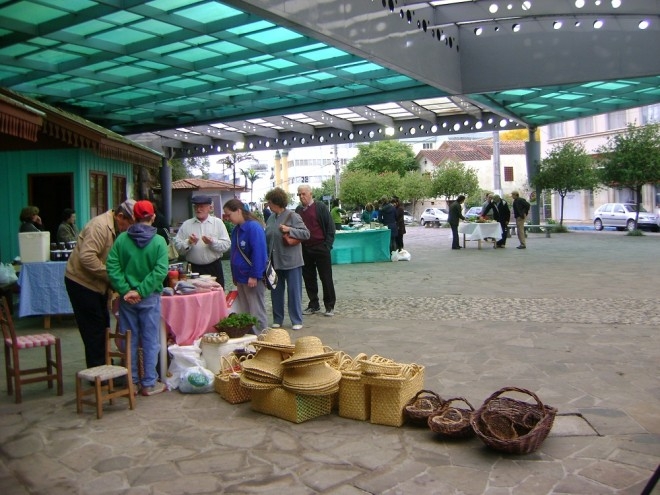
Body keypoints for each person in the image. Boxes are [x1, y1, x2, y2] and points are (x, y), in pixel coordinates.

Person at [106, 200, 169, 396]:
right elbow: (160, 271)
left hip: (127, 299)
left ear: (133, 217)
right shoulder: (159, 241)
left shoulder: (122, 239)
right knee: (150, 340)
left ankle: (131, 382)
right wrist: (141, 291)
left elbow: (112, 267)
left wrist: (127, 290)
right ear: (153, 217)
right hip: (149, 297)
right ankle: (149, 383)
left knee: (129, 340)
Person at [65, 199, 135, 368]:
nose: (130, 229)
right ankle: (98, 373)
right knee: (94, 329)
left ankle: (104, 367)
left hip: (96, 285)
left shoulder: (115, 228)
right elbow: (87, 257)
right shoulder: (100, 226)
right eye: (130, 224)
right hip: (82, 283)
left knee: (103, 325)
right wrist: (113, 278)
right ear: (120, 216)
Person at [264, 187, 310, 330]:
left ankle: (296, 320)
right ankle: (278, 318)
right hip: (275, 261)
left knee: (294, 292)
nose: (268, 205)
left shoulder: (293, 216)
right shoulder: (271, 218)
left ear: (277, 202)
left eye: (270, 202)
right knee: (276, 291)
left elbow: (306, 234)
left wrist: (290, 229)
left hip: (292, 261)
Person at [223, 198, 268, 333]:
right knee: (246, 311)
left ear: (238, 211)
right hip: (241, 277)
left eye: (229, 214)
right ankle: (251, 338)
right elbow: (235, 254)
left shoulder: (253, 227)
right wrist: (235, 276)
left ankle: (262, 339)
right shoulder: (237, 229)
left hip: (251, 277)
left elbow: (259, 253)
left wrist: (255, 275)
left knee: (256, 311)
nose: (227, 218)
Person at [295, 185, 336, 317]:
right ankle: (314, 304)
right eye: (299, 195)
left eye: (303, 194)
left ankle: (329, 306)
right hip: (305, 248)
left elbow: (330, 226)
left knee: (326, 277)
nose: (301, 197)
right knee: (309, 278)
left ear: (310, 194)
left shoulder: (320, 207)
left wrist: (327, 245)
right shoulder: (298, 210)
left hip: (320, 247)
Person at [174, 195, 231, 288]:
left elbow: (226, 245)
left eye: (202, 206)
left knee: (216, 298)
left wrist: (212, 243)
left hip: (214, 268)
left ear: (210, 208)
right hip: (193, 269)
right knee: (194, 298)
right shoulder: (186, 225)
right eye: (196, 206)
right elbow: (178, 248)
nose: (198, 209)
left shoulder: (218, 223)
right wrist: (189, 242)